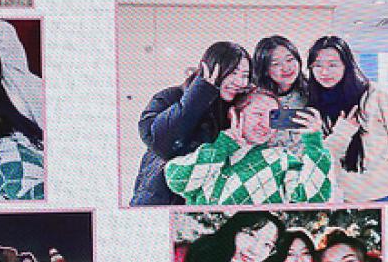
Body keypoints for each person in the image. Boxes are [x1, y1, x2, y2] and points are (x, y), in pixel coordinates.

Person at [131, 41, 253, 206]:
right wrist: (201, 93)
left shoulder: (236, 109)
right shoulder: (170, 96)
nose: (240, 82)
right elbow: (159, 142)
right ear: (209, 68)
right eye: (233, 72)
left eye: (245, 75)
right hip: (163, 202)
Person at [306, 35, 388, 202]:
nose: (324, 72)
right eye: (317, 65)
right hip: (352, 197)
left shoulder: (375, 95)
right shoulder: (315, 106)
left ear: (347, 66)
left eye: (332, 65)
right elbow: (324, 159)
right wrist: (343, 132)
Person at [164, 90, 332, 205]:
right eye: (258, 114)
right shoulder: (211, 151)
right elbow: (177, 181)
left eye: (273, 117)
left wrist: (314, 142)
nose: (265, 124)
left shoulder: (281, 159)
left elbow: (312, 197)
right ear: (234, 114)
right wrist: (224, 144)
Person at [251, 35, 309, 152]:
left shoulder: (310, 93)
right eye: (276, 63)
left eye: (289, 60)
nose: (286, 68)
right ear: (265, 70)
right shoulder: (255, 99)